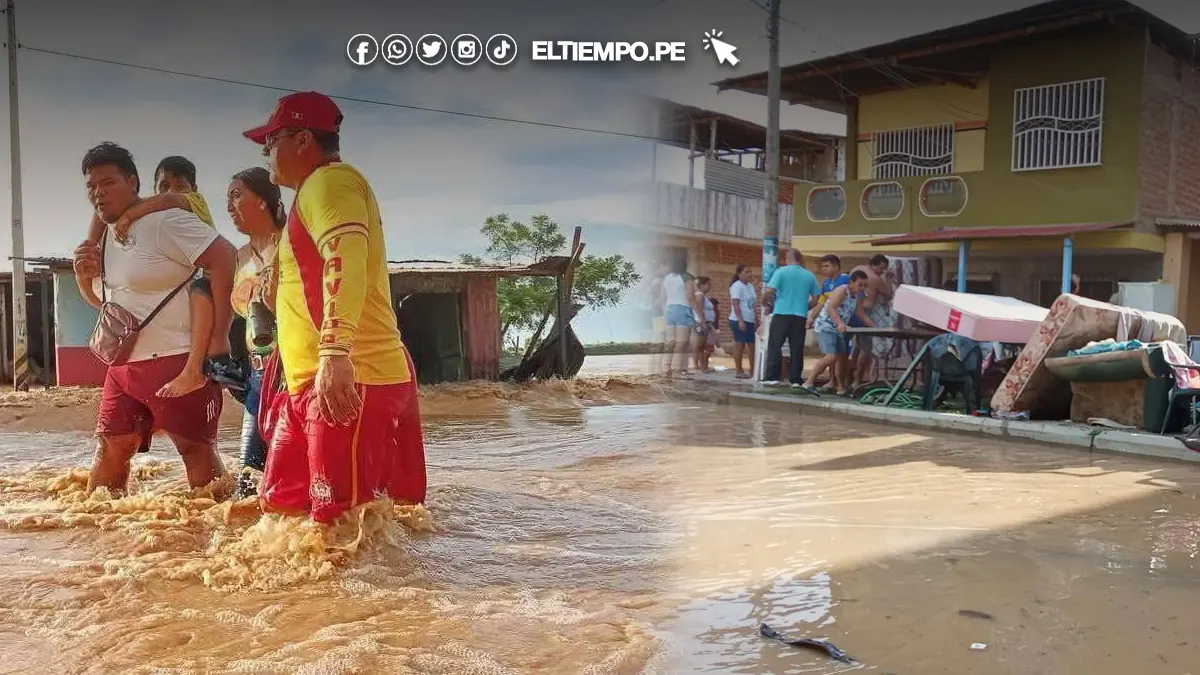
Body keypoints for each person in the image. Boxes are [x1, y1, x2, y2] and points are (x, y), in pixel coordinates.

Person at [244, 91, 427, 522]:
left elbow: (344, 258)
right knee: (283, 510)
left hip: (350, 374)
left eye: (271, 142)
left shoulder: (331, 182)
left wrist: (334, 351)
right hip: (308, 380)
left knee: (342, 523)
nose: (267, 153)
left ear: (303, 139)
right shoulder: (311, 195)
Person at [72, 142, 237, 495]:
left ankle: (219, 544)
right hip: (123, 368)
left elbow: (225, 257)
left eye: (108, 183)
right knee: (109, 451)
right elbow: (105, 305)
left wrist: (219, 338)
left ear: (133, 182)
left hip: (178, 361)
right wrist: (82, 278)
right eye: (91, 187)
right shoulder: (103, 240)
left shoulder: (166, 222)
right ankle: (106, 545)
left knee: (197, 455)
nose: (98, 194)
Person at [83, 156, 241, 399]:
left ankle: (201, 363)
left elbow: (167, 200)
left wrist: (128, 215)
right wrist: (91, 243)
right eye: (163, 185)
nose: (171, 191)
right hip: (136, 359)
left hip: (205, 278)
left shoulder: (187, 204)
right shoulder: (141, 220)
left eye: (180, 185)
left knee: (199, 297)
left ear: (194, 190)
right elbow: (99, 212)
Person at [225, 167, 285, 498]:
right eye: (227, 200)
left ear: (262, 200)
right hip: (258, 372)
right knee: (249, 480)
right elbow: (238, 310)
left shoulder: (289, 243)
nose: (229, 206)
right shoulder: (240, 257)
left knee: (294, 474)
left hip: (293, 370)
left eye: (237, 195)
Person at [802, 270, 874, 396]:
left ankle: (840, 388)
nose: (862, 288)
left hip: (839, 329)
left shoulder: (856, 295)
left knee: (842, 358)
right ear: (852, 282)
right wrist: (840, 323)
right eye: (860, 285)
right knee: (831, 356)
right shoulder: (842, 291)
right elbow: (830, 308)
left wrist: (874, 326)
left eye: (864, 286)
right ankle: (809, 382)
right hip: (827, 326)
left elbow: (859, 312)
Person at [762, 249, 819, 387]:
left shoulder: (781, 272)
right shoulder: (809, 276)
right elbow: (816, 298)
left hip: (781, 313)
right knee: (797, 348)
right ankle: (795, 380)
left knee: (775, 345)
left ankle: (772, 377)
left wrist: (765, 302)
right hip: (799, 316)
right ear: (800, 259)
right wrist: (805, 308)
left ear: (787, 258)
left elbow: (769, 291)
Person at [848, 254, 895, 390]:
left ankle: (848, 379)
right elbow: (888, 293)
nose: (882, 271)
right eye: (881, 268)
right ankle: (857, 380)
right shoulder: (875, 279)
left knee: (853, 349)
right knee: (866, 350)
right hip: (864, 313)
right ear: (874, 265)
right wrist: (889, 279)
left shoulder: (857, 269)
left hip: (853, 311)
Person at [807, 254, 851, 392]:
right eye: (822, 266)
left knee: (841, 356)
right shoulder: (826, 283)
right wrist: (812, 317)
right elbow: (821, 302)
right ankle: (833, 380)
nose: (823, 269)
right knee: (831, 354)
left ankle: (840, 382)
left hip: (842, 323)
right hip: (829, 324)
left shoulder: (845, 280)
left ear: (836, 266)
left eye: (827, 266)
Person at [660, 257, 702, 377]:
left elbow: (662, 298)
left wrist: (665, 312)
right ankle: (678, 370)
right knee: (682, 342)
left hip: (669, 309)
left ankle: (666, 368)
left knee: (670, 341)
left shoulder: (666, 278)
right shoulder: (686, 277)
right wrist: (700, 315)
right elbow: (691, 297)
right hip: (682, 309)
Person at [728, 264, 757, 379]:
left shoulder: (750, 286)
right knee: (740, 345)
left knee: (752, 345)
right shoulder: (736, 286)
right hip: (738, 319)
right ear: (739, 274)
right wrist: (740, 320)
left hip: (750, 319)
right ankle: (739, 371)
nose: (749, 274)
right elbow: (735, 303)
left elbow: (752, 303)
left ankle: (753, 370)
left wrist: (757, 318)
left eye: (750, 271)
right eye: (746, 272)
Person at [690, 276, 716, 373]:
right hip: (702, 323)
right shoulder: (699, 295)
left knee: (704, 345)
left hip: (705, 322)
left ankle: (703, 366)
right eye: (708, 284)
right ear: (701, 285)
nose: (710, 287)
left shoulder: (703, 295)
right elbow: (700, 310)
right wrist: (703, 322)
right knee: (701, 345)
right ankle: (699, 366)